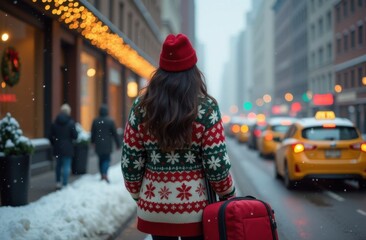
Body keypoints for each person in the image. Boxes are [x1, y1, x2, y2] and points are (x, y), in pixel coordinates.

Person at [121, 33, 235, 240]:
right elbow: (216, 165)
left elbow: (130, 161)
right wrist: (228, 194)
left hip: (155, 209)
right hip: (197, 213)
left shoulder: (142, 107)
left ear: (161, 70)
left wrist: (140, 195)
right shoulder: (207, 108)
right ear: (193, 70)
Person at [49, 103, 78, 189]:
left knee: (58, 165)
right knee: (66, 165)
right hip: (68, 147)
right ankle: (64, 183)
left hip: (57, 147)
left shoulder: (55, 122)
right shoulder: (71, 123)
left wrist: (55, 142)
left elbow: (50, 136)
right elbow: (75, 136)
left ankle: (58, 182)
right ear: (69, 112)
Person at [91, 104, 121, 183]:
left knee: (100, 159)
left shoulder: (95, 120)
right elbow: (115, 134)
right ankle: (104, 174)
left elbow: (92, 133)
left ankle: (102, 174)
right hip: (107, 144)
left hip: (98, 143)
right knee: (107, 159)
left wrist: (92, 142)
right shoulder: (110, 121)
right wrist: (118, 144)